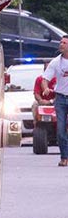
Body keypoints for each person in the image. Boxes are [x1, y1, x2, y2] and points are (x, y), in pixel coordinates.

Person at [41, 35, 68, 167]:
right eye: (61, 42)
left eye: (64, 43)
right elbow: (45, 78)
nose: (61, 44)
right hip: (61, 99)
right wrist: (45, 88)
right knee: (61, 130)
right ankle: (64, 157)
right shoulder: (56, 62)